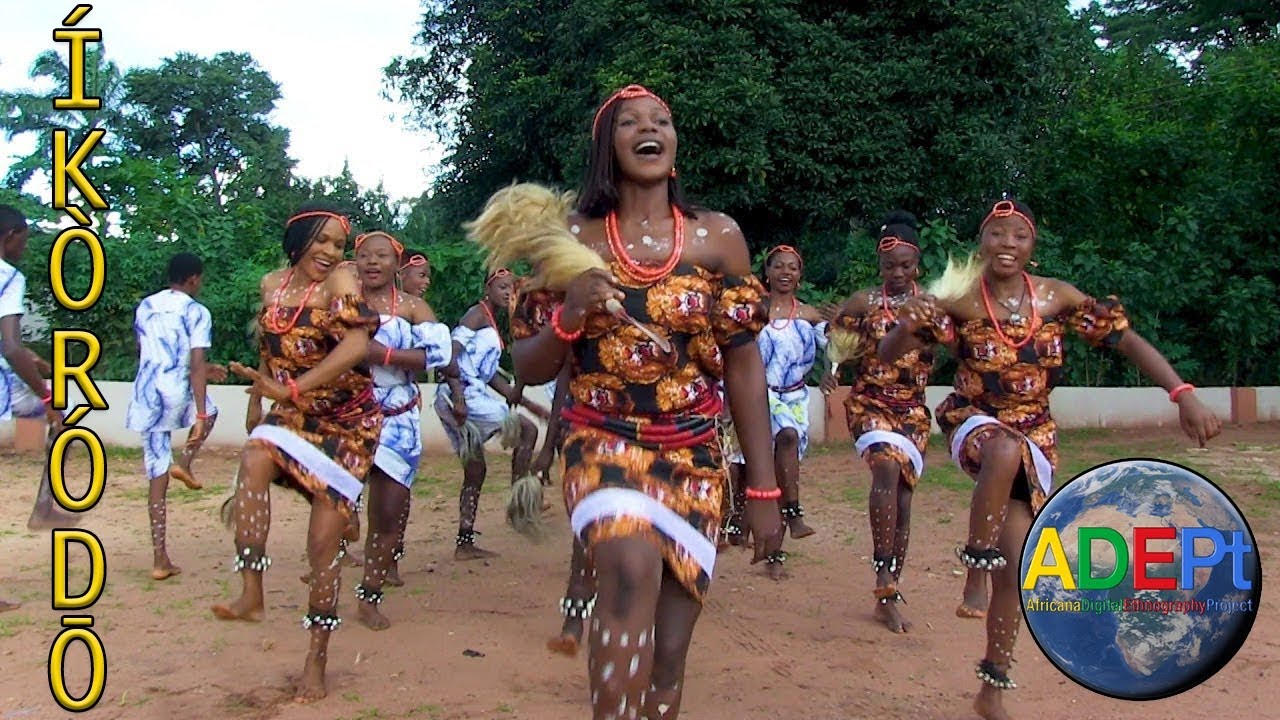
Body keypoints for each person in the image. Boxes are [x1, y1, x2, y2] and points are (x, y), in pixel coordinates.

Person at [878, 197, 1221, 720]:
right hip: (976, 423)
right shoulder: (960, 299)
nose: (1007, 245)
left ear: (1032, 246)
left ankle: (992, 684)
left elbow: (1127, 342)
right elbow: (887, 354)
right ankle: (973, 563)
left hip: (1036, 439)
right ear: (981, 242)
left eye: (1018, 236)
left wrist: (1183, 395)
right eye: (996, 234)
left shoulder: (1058, 299)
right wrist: (906, 325)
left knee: (1016, 569)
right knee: (1002, 447)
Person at [507, 84, 784, 719]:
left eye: (661, 119)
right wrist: (571, 313)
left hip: (696, 456)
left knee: (668, 659)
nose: (648, 128)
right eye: (629, 122)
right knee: (629, 573)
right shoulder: (567, 239)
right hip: (602, 443)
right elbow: (528, 363)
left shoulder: (719, 238)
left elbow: (743, 367)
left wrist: (765, 491)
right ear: (608, 147)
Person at [211, 203, 383, 704]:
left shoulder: (342, 283)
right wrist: (258, 399)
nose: (331, 253)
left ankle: (317, 660)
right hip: (293, 411)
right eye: (323, 241)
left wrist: (292, 390)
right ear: (299, 239)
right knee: (254, 455)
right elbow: (271, 347)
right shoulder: (272, 284)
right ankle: (251, 590)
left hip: (349, 423)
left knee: (321, 546)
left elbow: (356, 348)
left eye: (338, 244)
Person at [822, 211, 936, 632]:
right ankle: (884, 579)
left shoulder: (933, 304)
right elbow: (841, 346)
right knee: (885, 468)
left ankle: (889, 586)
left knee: (903, 501)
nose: (898, 273)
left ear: (917, 263)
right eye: (891, 266)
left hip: (913, 411)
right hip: (869, 403)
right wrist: (831, 371)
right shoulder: (863, 302)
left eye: (906, 266)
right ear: (880, 265)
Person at [348, 231, 458, 628]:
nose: (372, 263)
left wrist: (384, 354)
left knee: (388, 513)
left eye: (381, 256)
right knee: (337, 506)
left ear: (397, 265)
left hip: (398, 419)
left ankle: (370, 595)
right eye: (364, 256)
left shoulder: (413, 307)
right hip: (348, 413)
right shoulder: (342, 301)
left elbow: (438, 356)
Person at [125, 252, 229, 580]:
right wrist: (198, 410)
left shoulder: (146, 306)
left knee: (156, 476)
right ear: (194, 278)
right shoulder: (197, 312)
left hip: (146, 392)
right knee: (210, 413)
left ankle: (160, 559)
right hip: (176, 389)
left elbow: (147, 350)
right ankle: (184, 462)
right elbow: (195, 364)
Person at [433, 268, 548, 560]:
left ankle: (464, 541)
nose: (508, 292)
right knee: (527, 431)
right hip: (462, 397)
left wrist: (532, 406)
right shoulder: (476, 315)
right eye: (502, 287)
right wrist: (459, 396)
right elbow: (449, 355)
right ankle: (520, 502)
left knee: (475, 471)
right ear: (487, 289)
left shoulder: (492, 321)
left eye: (511, 287)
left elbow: (493, 380)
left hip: (466, 396)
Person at [0, 204, 71, 612]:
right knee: (58, 415)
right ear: (10, 236)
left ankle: (45, 506)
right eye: (24, 239)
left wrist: (32, 360)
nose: (25, 246)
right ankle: (44, 506)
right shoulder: (9, 276)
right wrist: (45, 394)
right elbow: (9, 346)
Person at [750, 244, 827, 579]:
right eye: (778, 266)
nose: (785, 272)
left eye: (792, 267)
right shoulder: (754, 311)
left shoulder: (809, 314)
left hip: (794, 398)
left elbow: (835, 346)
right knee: (786, 438)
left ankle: (775, 553)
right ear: (767, 272)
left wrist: (830, 371)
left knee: (783, 472)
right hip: (757, 397)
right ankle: (791, 514)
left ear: (800, 274)